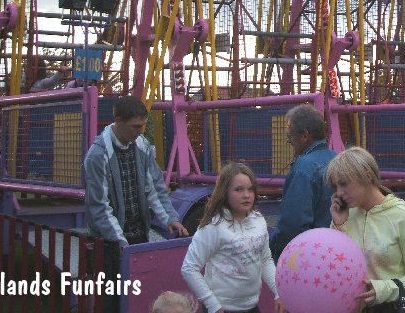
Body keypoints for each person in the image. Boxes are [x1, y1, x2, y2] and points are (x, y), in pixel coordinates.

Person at [327, 147, 405, 311]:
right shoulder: (346, 217)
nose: (339, 193)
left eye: (344, 184)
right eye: (336, 186)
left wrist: (382, 290)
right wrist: (338, 225)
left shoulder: (404, 218)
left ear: (367, 176)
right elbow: (331, 266)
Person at [84, 95, 188, 245]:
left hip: (139, 235)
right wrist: (120, 242)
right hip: (108, 241)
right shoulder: (98, 156)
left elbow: (156, 187)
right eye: (136, 126)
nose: (141, 131)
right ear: (119, 121)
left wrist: (170, 218)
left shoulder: (142, 145)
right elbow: (99, 206)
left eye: (143, 125)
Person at [181, 162, 283, 313]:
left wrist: (278, 292)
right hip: (221, 308)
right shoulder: (213, 226)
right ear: (225, 192)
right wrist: (213, 305)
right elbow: (189, 268)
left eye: (250, 189)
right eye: (238, 190)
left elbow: (265, 260)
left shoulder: (259, 221)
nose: (246, 195)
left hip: (251, 307)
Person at [269, 104, 337, 260]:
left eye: (291, 136)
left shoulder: (303, 168)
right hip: (336, 250)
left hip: (310, 255)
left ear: (305, 135)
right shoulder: (337, 158)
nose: (289, 141)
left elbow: (293, 223)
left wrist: (275, 249)